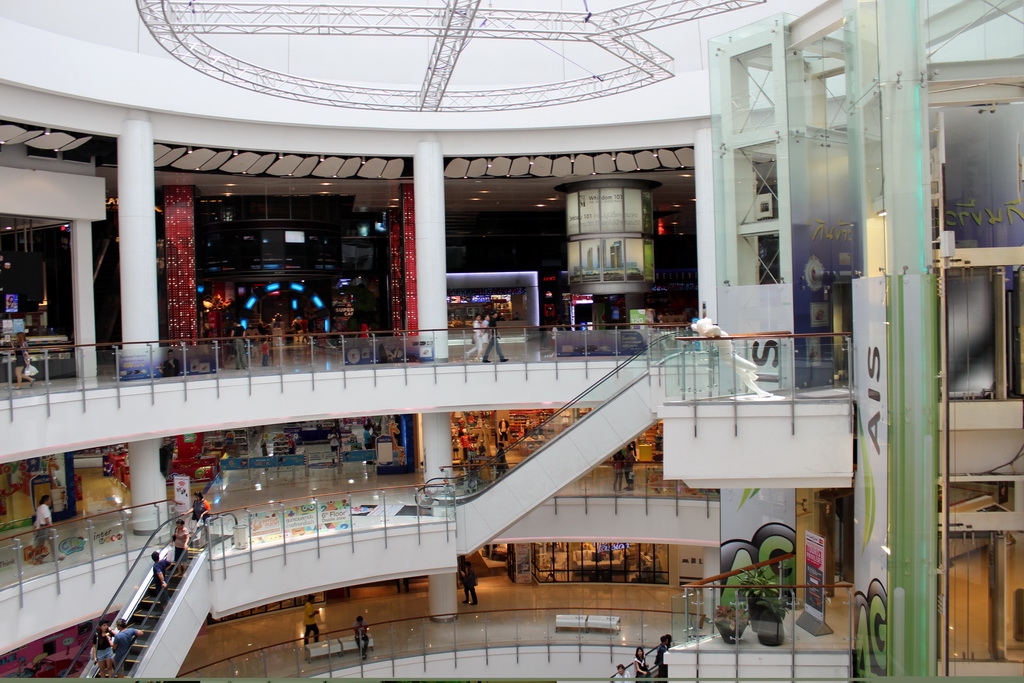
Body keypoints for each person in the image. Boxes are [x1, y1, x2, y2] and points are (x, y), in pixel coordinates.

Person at [33, 494, 56, 563]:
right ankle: (55, 557)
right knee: (52, 542)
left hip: (40, 528)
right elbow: (47, 519)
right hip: (46, 528)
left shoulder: (39, 508)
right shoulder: (45, 507)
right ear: (46, 501)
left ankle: (38, 559)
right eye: (49, 499)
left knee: (40, 545)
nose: (50, 501)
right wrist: (50, 526)